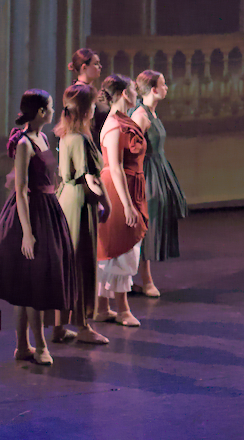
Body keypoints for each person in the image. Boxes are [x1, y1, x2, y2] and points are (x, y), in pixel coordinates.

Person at [0, 90, 77, 365]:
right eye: (50, 107)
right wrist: (27, 232)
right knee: (32, 283)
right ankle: (38, 346)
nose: (53, 111)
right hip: (30, 213)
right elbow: (21, 189)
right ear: (40, 111)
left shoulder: (43, 138)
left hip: (47, 209)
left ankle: (23, 346)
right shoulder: (25, 143)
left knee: (29, 283)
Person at [53, 83, 111, 345]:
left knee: (68, 263)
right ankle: (83, 325)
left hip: (66, 198)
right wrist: (106, 203)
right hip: (79, 203)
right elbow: (91, 179)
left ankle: (58, 326)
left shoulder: (66, 136)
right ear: (87, 109)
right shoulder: (81, 139)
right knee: (81, 263)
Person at [95, 75, 148, 328]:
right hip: (118, 188)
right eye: (133, 90)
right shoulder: (114, 124)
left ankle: (102, 308)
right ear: (125, 93)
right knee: (120, 246)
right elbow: (115, 167)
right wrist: (127, 204)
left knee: (120, 246)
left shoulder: (124, 121)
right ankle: (122, 309)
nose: (136, 94)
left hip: (130, 184)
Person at [131, 70, 188, 297]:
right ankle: (145, 279)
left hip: (159, 167)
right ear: (153, 90)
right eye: (163, 85)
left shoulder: (152, 113)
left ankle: (141, 278)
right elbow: (132, 150)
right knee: (147, 223)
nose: (166, 88)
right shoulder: (140, 116)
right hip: (147, 171)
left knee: (155, 221)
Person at [69, 47, 109, 137]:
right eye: (96, 64)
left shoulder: (91, 90)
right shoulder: (77, 93)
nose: (100, 67)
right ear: (84, 67)